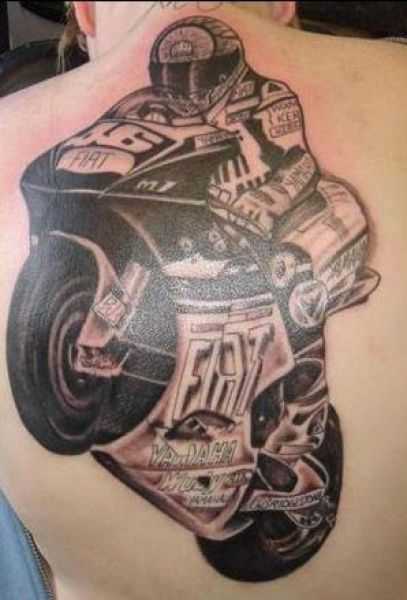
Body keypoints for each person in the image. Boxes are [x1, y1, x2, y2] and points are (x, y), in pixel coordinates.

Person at [0, 2, 406, 599]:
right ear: (284, 6)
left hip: (292, 221)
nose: (187, 89)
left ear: (84, 13)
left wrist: (267, 200)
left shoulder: (268, 100)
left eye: (199, 77)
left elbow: (298, 165)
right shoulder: (151, 101)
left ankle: (300, 411)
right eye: (177, 77)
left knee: (296, 284)